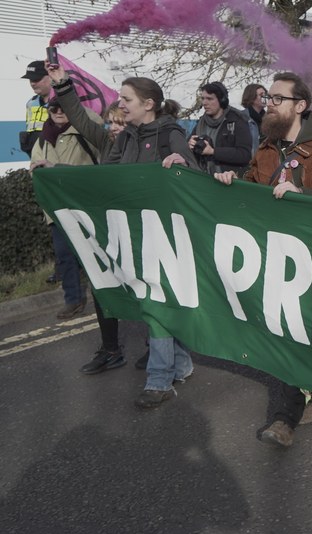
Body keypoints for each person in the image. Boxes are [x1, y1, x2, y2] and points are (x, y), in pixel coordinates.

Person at [214, 71, 312, 446]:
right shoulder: (265, 150)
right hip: (273, 258)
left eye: (277, 98)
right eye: (268, 98)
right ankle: (290, 413)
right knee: (285, 333)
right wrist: (231, 184)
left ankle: (307, 403)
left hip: (310, 261)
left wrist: (302, 192)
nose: (268, 104)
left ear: (300, 106)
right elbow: (252, 195)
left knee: (306, 333)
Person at [103, 76, 200, 409]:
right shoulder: (127, 136)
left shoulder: (170, 133)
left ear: (148, 104)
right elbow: (105, 175)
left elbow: (195, 173)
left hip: (165, 235)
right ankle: (181, 363)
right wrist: (56, 171)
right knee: (153, 304)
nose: (120, 104)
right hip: (134, 234)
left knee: (155, 304)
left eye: (126, 99)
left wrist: (182, 164)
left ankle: (159, 380)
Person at [48, 63, 134, 375]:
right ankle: (111, 349)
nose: (114, 128)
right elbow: (81, 118)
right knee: (102, 286)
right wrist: (63, 85)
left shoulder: (145, 146)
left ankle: (161, 350)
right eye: (110, 123)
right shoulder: (107, 142)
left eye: (120, 123)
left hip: (138, 231)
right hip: (109, 229)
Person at [29, 99, 100, 321]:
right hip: (57, 210)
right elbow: (33, 170)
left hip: (85, 206)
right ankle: (74, 299)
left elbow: (96, 122)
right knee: (64, 256)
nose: (59, 112)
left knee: (94, 252)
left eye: (64, 107)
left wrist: (73, 103)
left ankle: (106, 294)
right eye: (54, 109)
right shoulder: (42, 140)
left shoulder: (84, 131)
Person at [189, 81, 253, 177]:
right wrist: (190, 144)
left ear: (222, 100)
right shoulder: (201, 123)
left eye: (210, 99)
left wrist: (213, 152)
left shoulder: (237, 120)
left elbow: (244, 155)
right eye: (203, 98)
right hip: (203, 177)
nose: (204, 103)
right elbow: (188, 150)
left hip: (229, 180)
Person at [21, 60, 51, 156]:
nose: (32, 84)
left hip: (55, 154)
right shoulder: (31, 103)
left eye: (36, 79)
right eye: (30, 80)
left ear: (51, 76)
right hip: (34, 153)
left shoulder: (64, 101)